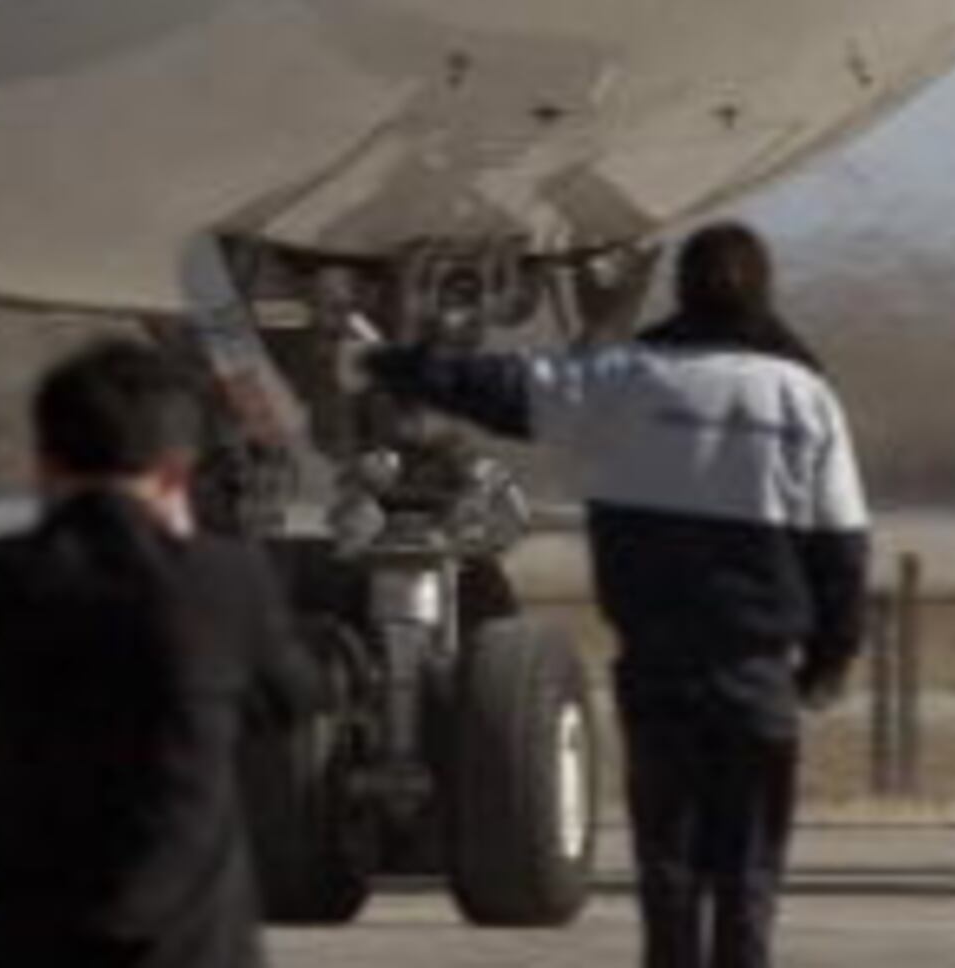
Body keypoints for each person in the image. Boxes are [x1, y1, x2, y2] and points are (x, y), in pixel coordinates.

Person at [367, 223, 869, 968]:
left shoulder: (627, 380)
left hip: (660, 668)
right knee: (747, 875)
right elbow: (842, 548)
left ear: (683, 289)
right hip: (757, 674)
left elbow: (505, 391)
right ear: (763, 292)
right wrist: (827, 662)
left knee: (666, 871)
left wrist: (393, 362)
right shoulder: (804, 398)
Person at [0, 338, 314, 968]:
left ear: (43, 462)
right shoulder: (224, 582)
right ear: (175, 473)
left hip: (23, 937)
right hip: (185, 944)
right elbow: (293, 699)